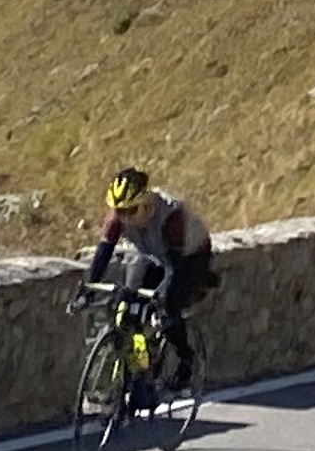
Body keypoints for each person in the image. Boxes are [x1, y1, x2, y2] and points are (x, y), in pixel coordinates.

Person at [88, 167, 218, 390]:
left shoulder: (171, 216)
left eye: (131, 210)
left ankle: (187, 358)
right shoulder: (118, 216)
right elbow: (104, 251)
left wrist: (163, 296)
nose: (124, 217)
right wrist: (88, 287)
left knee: (167, 309)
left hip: (188, 257)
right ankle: (139, 367)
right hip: (153, 254)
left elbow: (175, 269)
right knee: (128, 304)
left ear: (146, 203)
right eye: (119, 211)